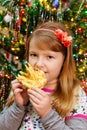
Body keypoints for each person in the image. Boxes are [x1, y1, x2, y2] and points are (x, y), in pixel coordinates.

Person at [3, 21, 87, 130]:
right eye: (34, 55)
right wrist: (18, 106)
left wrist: (47, 114)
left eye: (49, 57)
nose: (39, 64)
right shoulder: (20, 88)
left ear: (64, 60)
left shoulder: (74, 94)